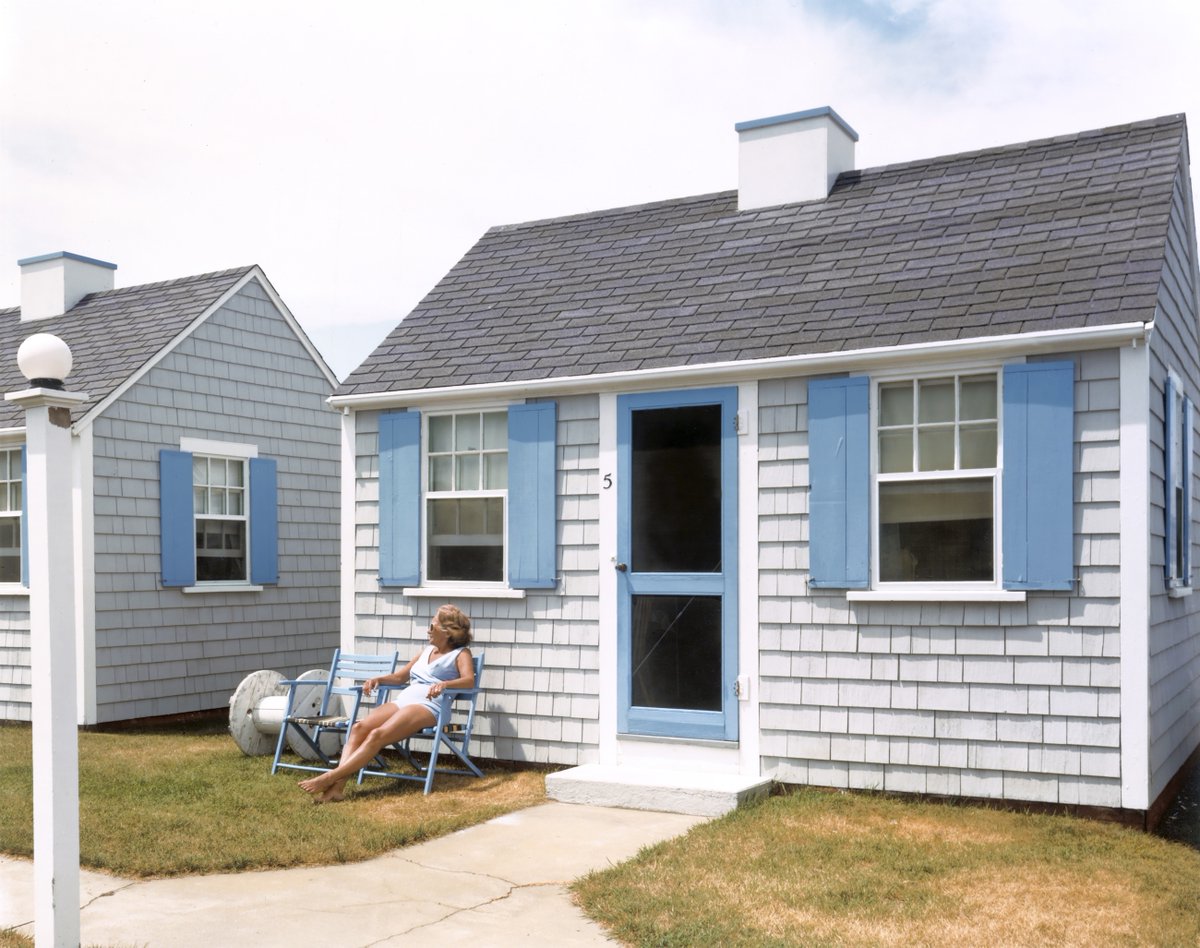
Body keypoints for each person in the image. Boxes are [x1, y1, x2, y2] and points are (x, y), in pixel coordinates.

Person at [298, 604, 475, 803]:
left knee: (377, 735)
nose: (428, 630)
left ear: (447, 632)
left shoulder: (461, 654)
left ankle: (330, 777)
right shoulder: (426, 651)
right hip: (404, 701)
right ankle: (337, 789)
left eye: (432, 626)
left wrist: (445, 684)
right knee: (359, 728)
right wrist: (379, 679)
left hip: (429, 706)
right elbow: (400, 678)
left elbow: (469, 681)